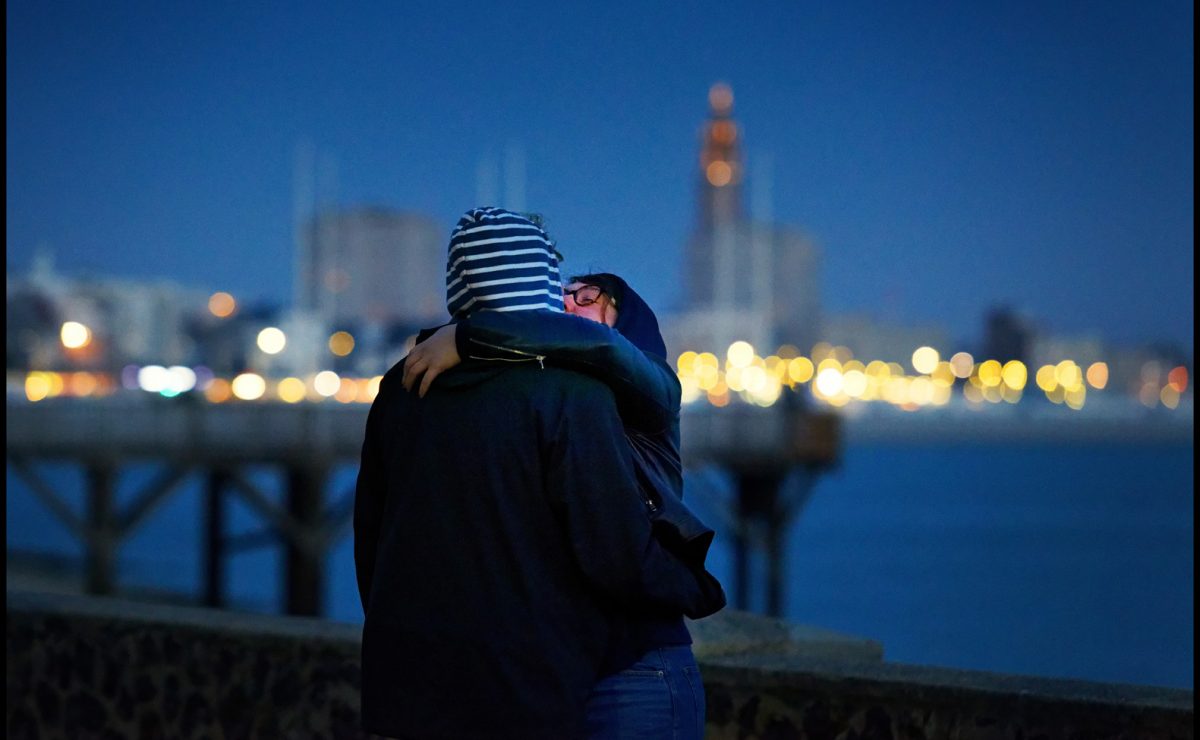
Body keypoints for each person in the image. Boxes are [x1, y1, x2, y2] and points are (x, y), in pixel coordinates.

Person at [354, 207, 723, 740]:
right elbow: (612, 549)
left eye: (591, 299)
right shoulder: (567, 396)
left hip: (588, 669)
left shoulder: (406, 388)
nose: (569, 308)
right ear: (543, 285)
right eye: (564, 290)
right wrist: (693, 586)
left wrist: (464, 336)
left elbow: (375, 539)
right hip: (562, 674)